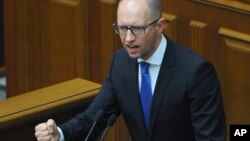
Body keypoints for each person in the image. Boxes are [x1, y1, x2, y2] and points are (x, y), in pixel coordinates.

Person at [35, 0, 226, 140]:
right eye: (122, 28)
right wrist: (59, 133)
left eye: (136, 29)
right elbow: (94, 117)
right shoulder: (120, 63)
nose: (128, 39)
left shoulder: (195, 71)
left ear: (159, 26)